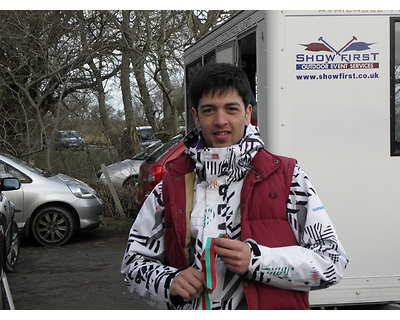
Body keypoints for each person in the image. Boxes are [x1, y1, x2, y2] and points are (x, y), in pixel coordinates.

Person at [121, 63, 348, 310]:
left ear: (247, 113)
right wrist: (168, 281)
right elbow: (133, 263)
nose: (221, 120)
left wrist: (257, 261)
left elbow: (332, 262)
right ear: (196, 116)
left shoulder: (287, 177)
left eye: (231, 109)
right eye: (209, 110)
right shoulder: (172, 184)